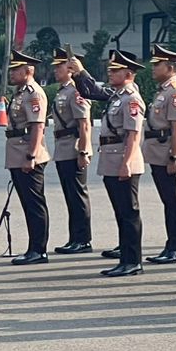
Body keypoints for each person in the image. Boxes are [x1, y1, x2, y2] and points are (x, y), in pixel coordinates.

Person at [70, 51, 147, 277]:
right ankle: (125, 259)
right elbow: (90, 91)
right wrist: (80, 72)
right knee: (121, 213)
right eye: (110, 70)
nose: (110, 73)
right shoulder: (117, 96)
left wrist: (127, 163)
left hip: (123, 159)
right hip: (113, 158)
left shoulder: (131, 98)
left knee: (129, 213)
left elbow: (133, 134)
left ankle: (133, 261)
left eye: (115, 70)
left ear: (129, 74)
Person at [143, 45, 176, 264]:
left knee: (175, 202)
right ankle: (172, 244)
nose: (153, 68)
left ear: (171, 68)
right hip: (159, 152)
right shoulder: (164, 90)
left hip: (168, 153)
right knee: (169, 202)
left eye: (158, 65)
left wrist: (174, 157)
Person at [3, 53, 52, 266]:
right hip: (17, 153)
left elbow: (37, 126)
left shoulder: (34, 94)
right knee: (27, 204)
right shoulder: (20, 92)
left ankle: (38, 250)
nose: (12, 73)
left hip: (28, 154)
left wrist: (31, 156)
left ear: (28, 71)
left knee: (34, 204)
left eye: (16, 69)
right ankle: (34, 248)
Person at [48, 47, 95, 254]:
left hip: (73, 147)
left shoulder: (76, 91)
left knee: (77, 195)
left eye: (60, 66)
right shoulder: (63, 90)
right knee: (70, 196)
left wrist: (83, 151)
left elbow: (84, 124)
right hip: (63, 147)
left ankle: (83, 239)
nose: (55, 70)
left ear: (70, 69)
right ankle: (74, 237)